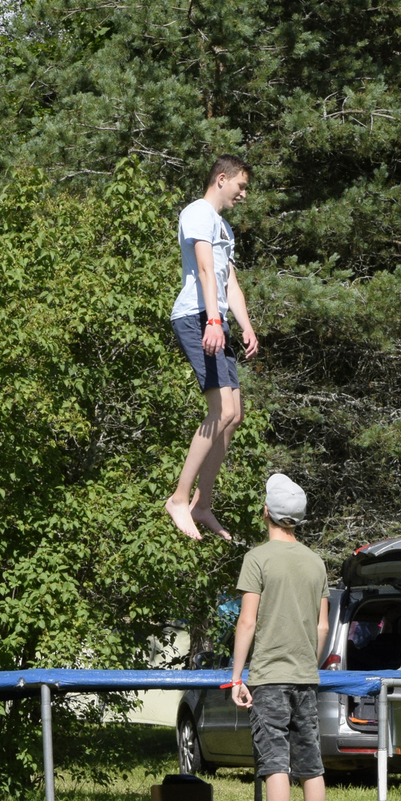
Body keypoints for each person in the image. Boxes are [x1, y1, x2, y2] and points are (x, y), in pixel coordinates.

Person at [229, 473, 330, 801]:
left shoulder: (257, 559)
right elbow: (322, 626)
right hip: (306, 677)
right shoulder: (316, 562)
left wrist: (237, 677)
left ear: (265, 512)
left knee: (275, 764)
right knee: (311, 767)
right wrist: (309, 664)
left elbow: (247, 622)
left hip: (269, 677)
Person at [165, 155, 260, 540]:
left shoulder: (223, 227)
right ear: (222, 179)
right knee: (221, 410)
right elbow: (205, 270)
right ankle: (179, 498)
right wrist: (214, 322)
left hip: (215, 317)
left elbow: (229, 282)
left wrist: (246, 326)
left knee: (234, 415)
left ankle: (202, 504)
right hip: (196, 316)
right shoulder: (197, 213)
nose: (244, 194)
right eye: (241, 186)